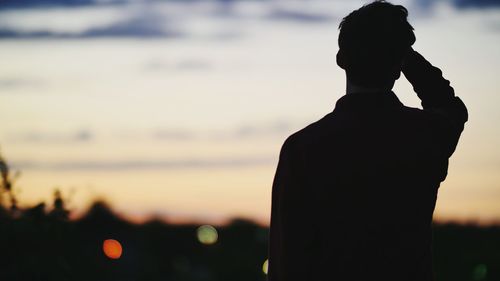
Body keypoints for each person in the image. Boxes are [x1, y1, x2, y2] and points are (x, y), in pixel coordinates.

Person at [267, 1, 468, 280]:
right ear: (399, 64)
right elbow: (450, 106)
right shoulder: (426, 133)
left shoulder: (302, 148)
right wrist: (406, 57)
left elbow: (287, 258)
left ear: (341, 59)